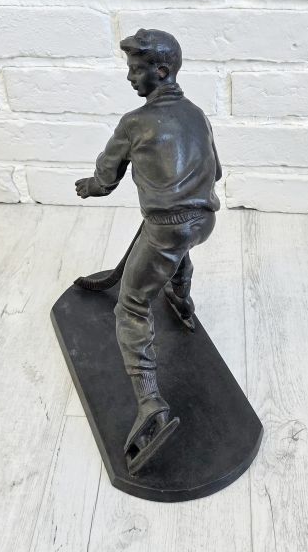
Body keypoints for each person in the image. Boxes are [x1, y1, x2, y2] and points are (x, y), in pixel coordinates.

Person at [75, 29, 222, 474]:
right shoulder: (197, 114)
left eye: (136, 69)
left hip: (166, 230)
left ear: (161, 71)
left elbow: (106, 179)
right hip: (204, 221)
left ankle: (149, 404)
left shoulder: (134, 123)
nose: (130, 77)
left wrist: (90, 186)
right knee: (174, 248)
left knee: (132, 306)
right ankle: (181, 299)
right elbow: (216, 171)